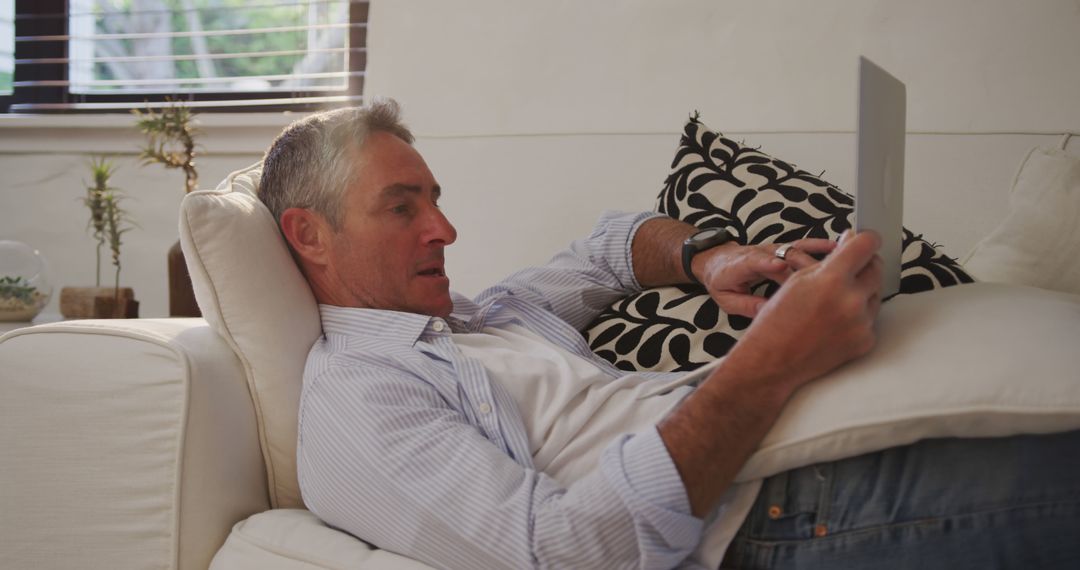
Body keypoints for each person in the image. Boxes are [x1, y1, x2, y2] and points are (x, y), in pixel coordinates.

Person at [257, 99, 1080, 569]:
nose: (445, 228)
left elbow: (610, 248)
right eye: (402, 207)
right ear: (310, 234)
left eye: (434, 197)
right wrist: (770, 363)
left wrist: (711, 259)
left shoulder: (482, 318)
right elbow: (564, 553)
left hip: (807, 453)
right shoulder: (358, 401)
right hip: (776, 520)